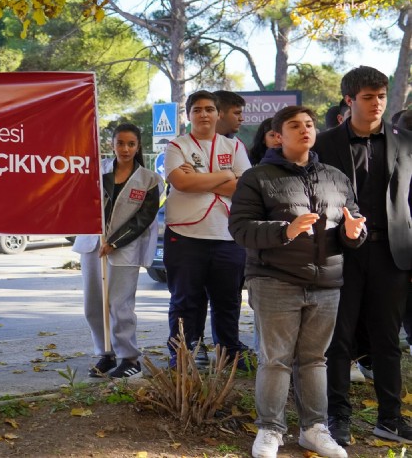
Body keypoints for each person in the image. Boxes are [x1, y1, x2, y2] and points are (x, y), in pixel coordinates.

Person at [230, 105, 366, 458]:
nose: (305, 129)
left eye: (309, 124)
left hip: (327, 283)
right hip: (275, 280)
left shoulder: (336, 176)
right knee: (275, 359)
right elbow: (240, 229)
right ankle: (270, 430)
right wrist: (284, 231)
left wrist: (354, 233)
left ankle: (313, 429)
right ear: (278, 135)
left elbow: (352, 225)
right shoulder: (257, 177)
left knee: (314, 360)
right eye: (295, 125)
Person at [314, 66, 412, 446]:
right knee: (338, 340)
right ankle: (336, 416)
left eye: (381, 97)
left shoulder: (405, 142)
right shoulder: (323, 143)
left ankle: (390, 418)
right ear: (349, 100)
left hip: (393, 254)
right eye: (368, 97)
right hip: (340, 253)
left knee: (388, 340)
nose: (376, 104)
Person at [163, 90, 251, 368]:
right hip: (184, 234)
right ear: (188, 115)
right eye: (197, 109)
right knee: (185, 299)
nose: (204, 114)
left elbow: (243, 187)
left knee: (228, 300)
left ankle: (229, 351)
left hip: (227, 234)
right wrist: (226, 176)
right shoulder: (177, 146)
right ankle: (186, 350)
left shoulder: (234, 147)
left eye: (209, 109)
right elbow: (181, 183)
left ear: (218, 114)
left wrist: (201, 178)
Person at [73, 124, 162, 379]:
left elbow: (143, 218)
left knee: (119, 306)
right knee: (93, 305)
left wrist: (114, 241)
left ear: (138, 146)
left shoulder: (149, 180)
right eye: (120, 143)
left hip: (125, 250)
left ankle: (129, 358)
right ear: (112, 144)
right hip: (92, 246)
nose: (125, 149)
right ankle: (106, 354)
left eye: (131, 144)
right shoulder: (95, 171)